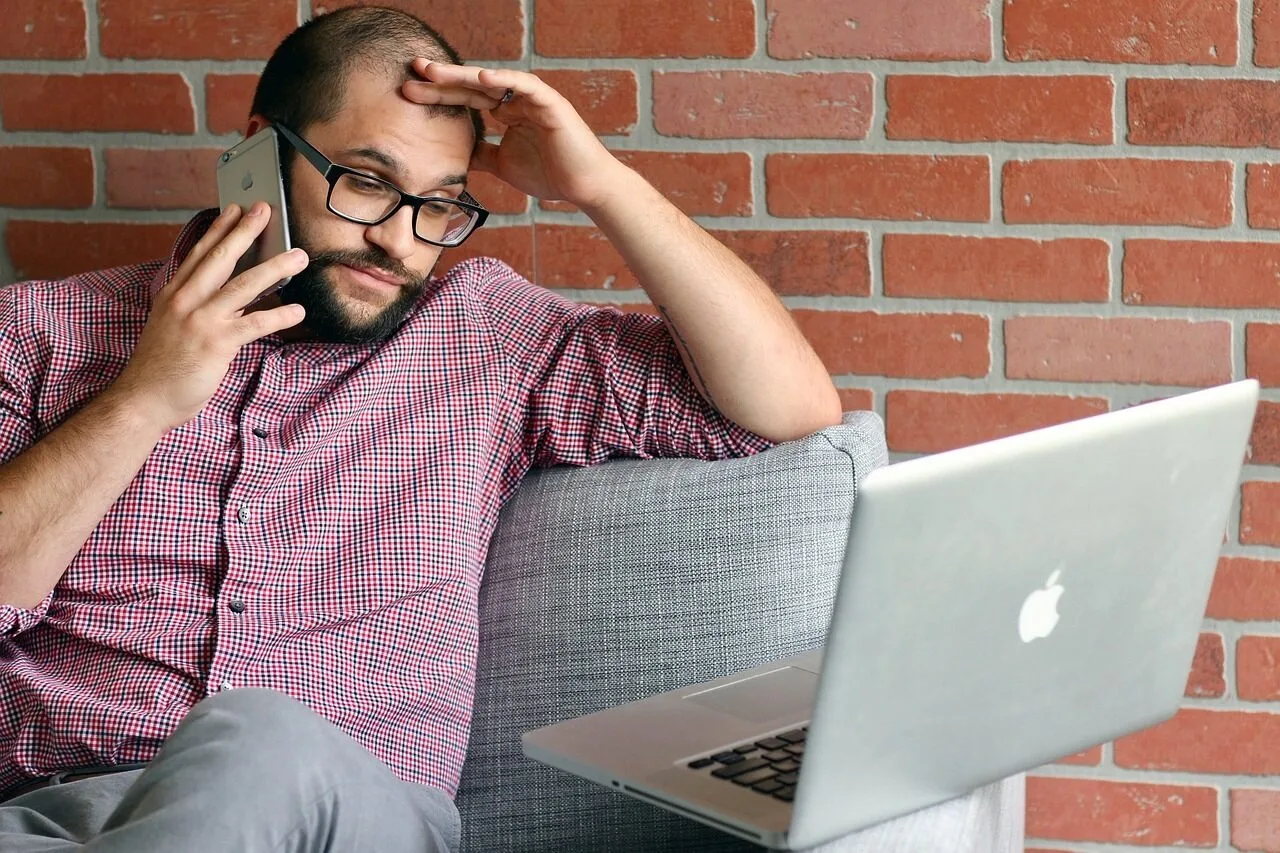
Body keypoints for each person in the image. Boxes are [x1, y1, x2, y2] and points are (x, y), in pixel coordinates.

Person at [0, 6, 841, 851]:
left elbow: (787, 407)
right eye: (365, 182)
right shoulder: (40, 333)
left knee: (255, 738)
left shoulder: (485, 339)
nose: (399, 242)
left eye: (439, 206)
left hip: (343, 816)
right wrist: (143, 399)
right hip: (43, 817)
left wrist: (601, 184)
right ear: (261, 152)